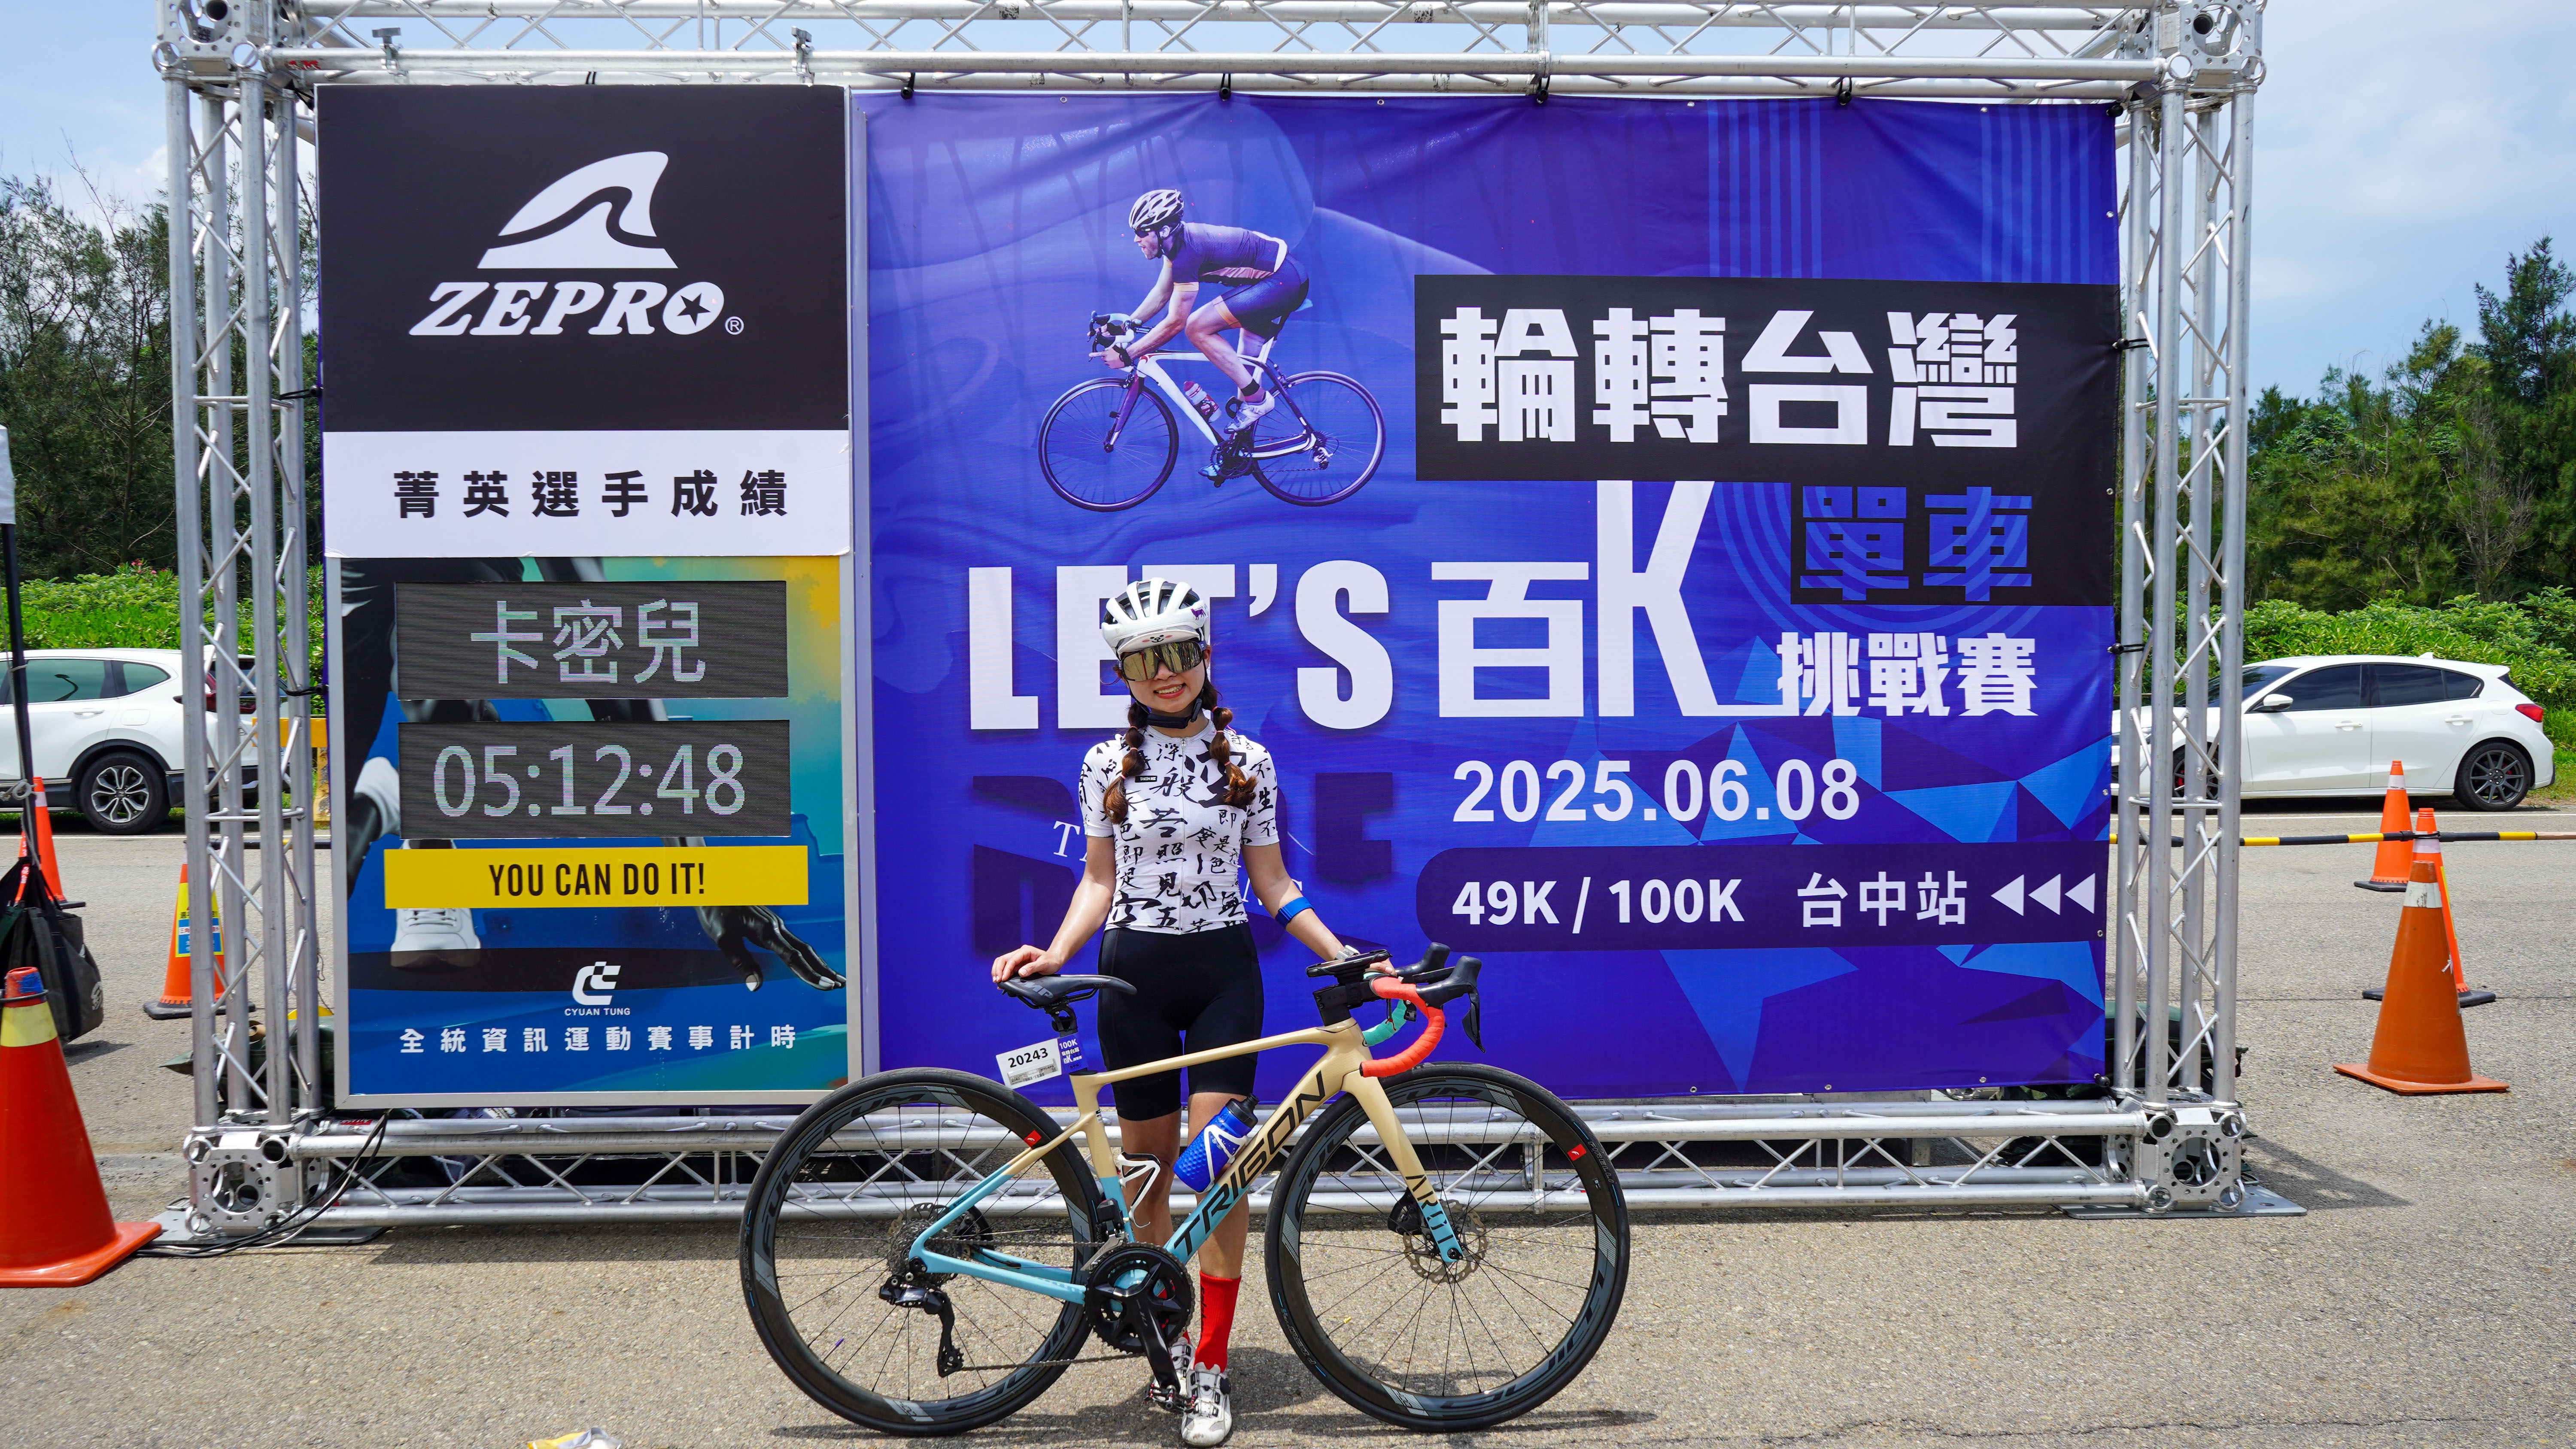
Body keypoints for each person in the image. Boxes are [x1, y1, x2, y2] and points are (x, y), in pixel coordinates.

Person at [990, 577, 1346, 1449]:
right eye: (1142, 661)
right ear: (1122, 674)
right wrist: (1057, 952)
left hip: (1224, 974)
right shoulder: (1103, 765)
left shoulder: (1250, 760)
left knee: (1220, 1175)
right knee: (1147, 1176)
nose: (1164, 673)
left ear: (1204, 656)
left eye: (1178, 654)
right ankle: (1166, 1345)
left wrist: (1338, 951)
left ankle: (1212, 1364)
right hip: (1132, 978)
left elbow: (1272, 883)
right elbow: (1098, 880)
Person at [1097, 188, 1309, 437]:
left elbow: (1176, 323)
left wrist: (1128, 354)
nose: (1136, 239)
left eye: (1143, 232)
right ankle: (1242, 445)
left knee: (1197, 327)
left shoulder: (1186, 254)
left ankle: (1259, 400)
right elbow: (1162, 293)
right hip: (1278, 279)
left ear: (1163, 231)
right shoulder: (1176, 246)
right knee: (1244, 379)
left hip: (1282, 282)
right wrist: (1126, 325)